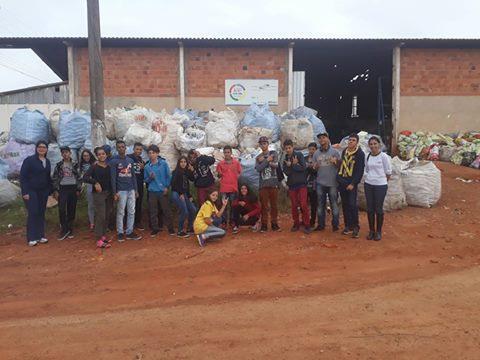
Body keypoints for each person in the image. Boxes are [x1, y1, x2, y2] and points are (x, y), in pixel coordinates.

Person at [20, 140, 53, 247]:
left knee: (41, 212)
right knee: (33, 212)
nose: (42, 149)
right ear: (36, 148)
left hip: (43, 191)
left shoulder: (47, 161)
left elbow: (48, 177)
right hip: (31, 190)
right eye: (40, 147)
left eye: (44, 147)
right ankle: (32, 237)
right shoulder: (29, 160)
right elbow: (23, 177)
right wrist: (25, 192)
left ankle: (40, 235)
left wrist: (50, 191)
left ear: (47, 149)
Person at [110, 140, 142, 242]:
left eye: (123, 147)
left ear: (125, 148)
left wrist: (136, 190)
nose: (121, 149)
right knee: (121, 212)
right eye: (119, 147)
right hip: (121, 190)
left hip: (131, 189)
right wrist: (115, 192)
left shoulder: (130, 161)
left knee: (131, 211)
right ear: (116, 148)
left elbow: (133, 176)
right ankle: (120, 232)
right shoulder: (114, 161)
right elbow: (113, 178)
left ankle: (129, 232)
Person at [83, 147, 113, 248]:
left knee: (107, 215)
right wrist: (95, 183)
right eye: (99, 154)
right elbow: (85, 177)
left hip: (109, 194)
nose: (101, 156)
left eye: (103, 154)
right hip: (98, 195)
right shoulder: (94, 167)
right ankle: (98, 239)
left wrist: (114, 193)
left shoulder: (109, 166)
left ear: (106, 155)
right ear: (97, 156)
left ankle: (103, 235)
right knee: (101, 216)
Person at [337, 133, 365, 238]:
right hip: (343, 181)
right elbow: (343, 165)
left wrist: (353, 183)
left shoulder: (360, 154)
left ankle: (356, 227)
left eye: (353, 140)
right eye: (349, 140)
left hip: (351, 183)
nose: (350, 142)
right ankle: (348, 226)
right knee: (345, 205)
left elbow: (359, 171)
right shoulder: (345, 151)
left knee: (352, 205)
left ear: (357, 142)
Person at [364, 136, 392, 241]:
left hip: (381, 185)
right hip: (368, 184)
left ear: (379, 145)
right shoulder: (367, 156)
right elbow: (367, 169)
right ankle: (371, 231)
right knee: (370, 209)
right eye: (371, 144)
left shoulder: (383, 156)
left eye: (375, 143)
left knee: (378, 209)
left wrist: (382, 181)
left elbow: (388, 172)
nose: (373, 146)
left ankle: (378, 232)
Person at [313, 132, 341, 232]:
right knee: (320, 205)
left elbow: (341, 166)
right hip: (320, 183)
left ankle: (335, 225)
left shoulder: (335, 152)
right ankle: (321, 225)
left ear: (328, 139)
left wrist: (336, 162)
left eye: (324, 138)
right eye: (320, 138)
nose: (322, 140)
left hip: (333, 183)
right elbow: (314, 167)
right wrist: (315, 167)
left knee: (334, 204)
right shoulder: (316, 153)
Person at [144, 144, 174, 237]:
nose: (151, 155)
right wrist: (150, 178)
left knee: (166, 210)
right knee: (153, 211)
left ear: (157, 153)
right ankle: (155, 228)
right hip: (152, 191)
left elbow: (168, 176)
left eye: (153, 153)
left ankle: (171, 228)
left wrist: (167, 187)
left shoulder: (163, 163)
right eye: (149, 153)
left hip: (162, 190)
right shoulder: (147, 167)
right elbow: (145, 180)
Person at [52, 146, 82, 240]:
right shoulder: (59, 165)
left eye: (67, 152)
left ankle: (70, 228)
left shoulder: (75, 164)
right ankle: (63, 229)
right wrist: (56, 190)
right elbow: (55, 178)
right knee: (61, 209)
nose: (65, 154)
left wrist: (78, 189)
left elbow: (79, 178)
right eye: (63, 152)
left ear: (70, 153)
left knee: (71, 208)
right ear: (61, 154)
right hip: (62, 188)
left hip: (73, 188)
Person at [282, 139, 311, 234]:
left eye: (289, 148)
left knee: (303, 204)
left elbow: (303, 168)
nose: (288, 150)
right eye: (286, 148)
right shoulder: (285, 159)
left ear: (292, 147)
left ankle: (307, 224)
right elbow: (286, 172)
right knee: (294, 206)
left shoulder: (299, 155)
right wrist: (291, 166)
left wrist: (294, 165)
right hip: (292, 185)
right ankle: (296, 223)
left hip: (302, 184)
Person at [255, 136, 280, 233]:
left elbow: (276, 165)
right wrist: (268, 160)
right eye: (261, 143)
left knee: (274, 205)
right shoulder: (258, 157)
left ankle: (274, 224)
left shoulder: (274, 153)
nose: (263, 145)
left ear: (268, 144)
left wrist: (265, 161)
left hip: (273, 183)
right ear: (260, 145)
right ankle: (264, 224)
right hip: (263, 185)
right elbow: (258, 169)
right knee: (264, 206)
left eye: (265, 143)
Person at [171, 156, 197, 237]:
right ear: (179, 163)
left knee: (193, 209)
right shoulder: (176, 172)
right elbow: (173, 184)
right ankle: (180, 231)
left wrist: (192, 170)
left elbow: (192, 180)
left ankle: (189, 228)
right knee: (184, 211)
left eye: (185, 162)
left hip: (184, 193)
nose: (183, 163)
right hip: (177, 194)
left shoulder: (186, 171)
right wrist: (180, 193)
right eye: (181, 162)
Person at [216, 145, 242, 227]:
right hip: (224, 188)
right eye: (225, 152)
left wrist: (235, 177)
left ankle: (231, 221)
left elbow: (240, 172)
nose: (227, 154)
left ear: (231, 153)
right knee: (224, 206)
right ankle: (223, 222)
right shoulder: (220, 164)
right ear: (223, 153)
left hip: (233, 188)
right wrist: (220, 174)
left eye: (228, 152)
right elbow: (218, 175)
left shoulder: (236, 163)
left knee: (233, 206)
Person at [127, 143, 145, 230]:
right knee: (130, 204)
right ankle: (128, 222)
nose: (138, 151)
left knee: (138, 203)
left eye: (140, 150)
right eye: (137, 149)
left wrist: (143, 168)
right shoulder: (128, 158)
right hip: (130, 184)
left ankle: (137, 222)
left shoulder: (141, 160)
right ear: (133, 149)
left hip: (139, 184)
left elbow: (142, 173)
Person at [79, 149, 96, 230]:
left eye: (87, 155)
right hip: (88, 186)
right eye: (84, 156)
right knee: (91, 205)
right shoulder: (81, 166)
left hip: (96, 184)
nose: (86, 157)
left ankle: (100, 222)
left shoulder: (95, 163)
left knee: (99, 205)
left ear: (90, 155)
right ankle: (92, 222)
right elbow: (80, 177)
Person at [305, 142, 318, 228]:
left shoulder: (318, 159)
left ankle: (312, 221)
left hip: (315, 185)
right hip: (305, 184)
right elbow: (303, 169)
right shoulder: (304, 158)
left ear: (316, 150)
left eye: (313, 149)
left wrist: (309, 167)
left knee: (314, 205)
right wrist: (311, 167)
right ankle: (305, 220)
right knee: (304, 204)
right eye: (310, 149)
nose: (311, 151)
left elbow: (316, 171)